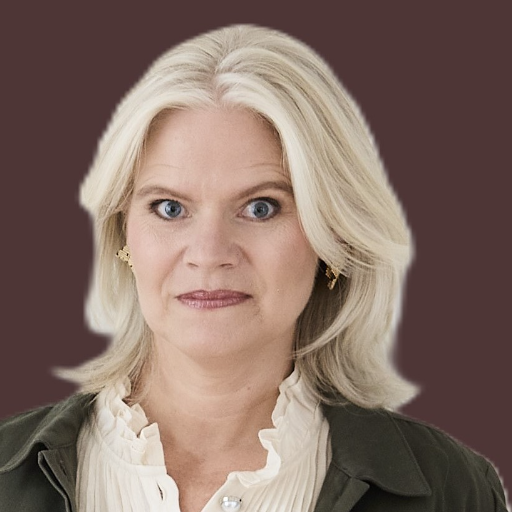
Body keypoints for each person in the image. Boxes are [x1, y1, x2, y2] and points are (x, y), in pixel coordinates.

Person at [0, 24, 508, 512]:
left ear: (332, 237)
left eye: (260, 207)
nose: (209, 252)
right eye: (170, 208)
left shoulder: (454, 491)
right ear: (123, 236)